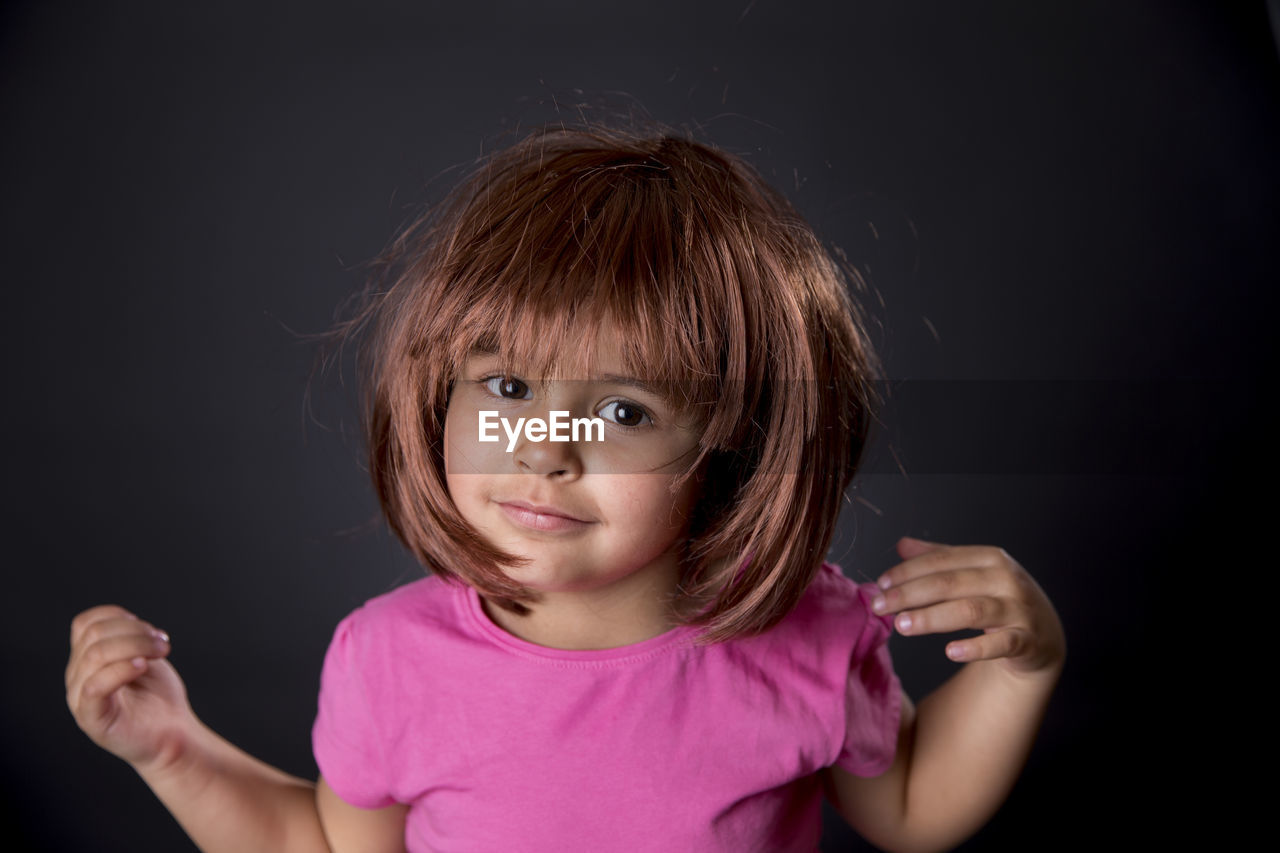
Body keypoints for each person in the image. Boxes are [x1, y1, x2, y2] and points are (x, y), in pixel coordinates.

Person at [65, 123, 1065, 852]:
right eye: (506, 387)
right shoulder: (387, 659)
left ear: (730, 444)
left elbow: (913, 809)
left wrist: (1019, 667)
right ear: (436, 393)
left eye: (623, 411)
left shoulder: (807, 637)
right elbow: (323, 847)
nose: (545, 446)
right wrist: (172, 748)